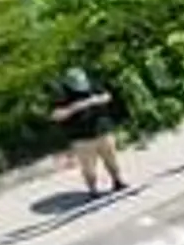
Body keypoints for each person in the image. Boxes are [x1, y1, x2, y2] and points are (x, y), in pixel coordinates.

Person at [50, 65, 127, 197]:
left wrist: (94, 101)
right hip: (82, 138)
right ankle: (93, 189)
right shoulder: (62, 94)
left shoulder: (93, 84)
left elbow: (107, 96)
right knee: (88, 167)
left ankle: (118, 181)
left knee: (112, 159)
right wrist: (74, 108)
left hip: (103, 131)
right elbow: (56, 115)